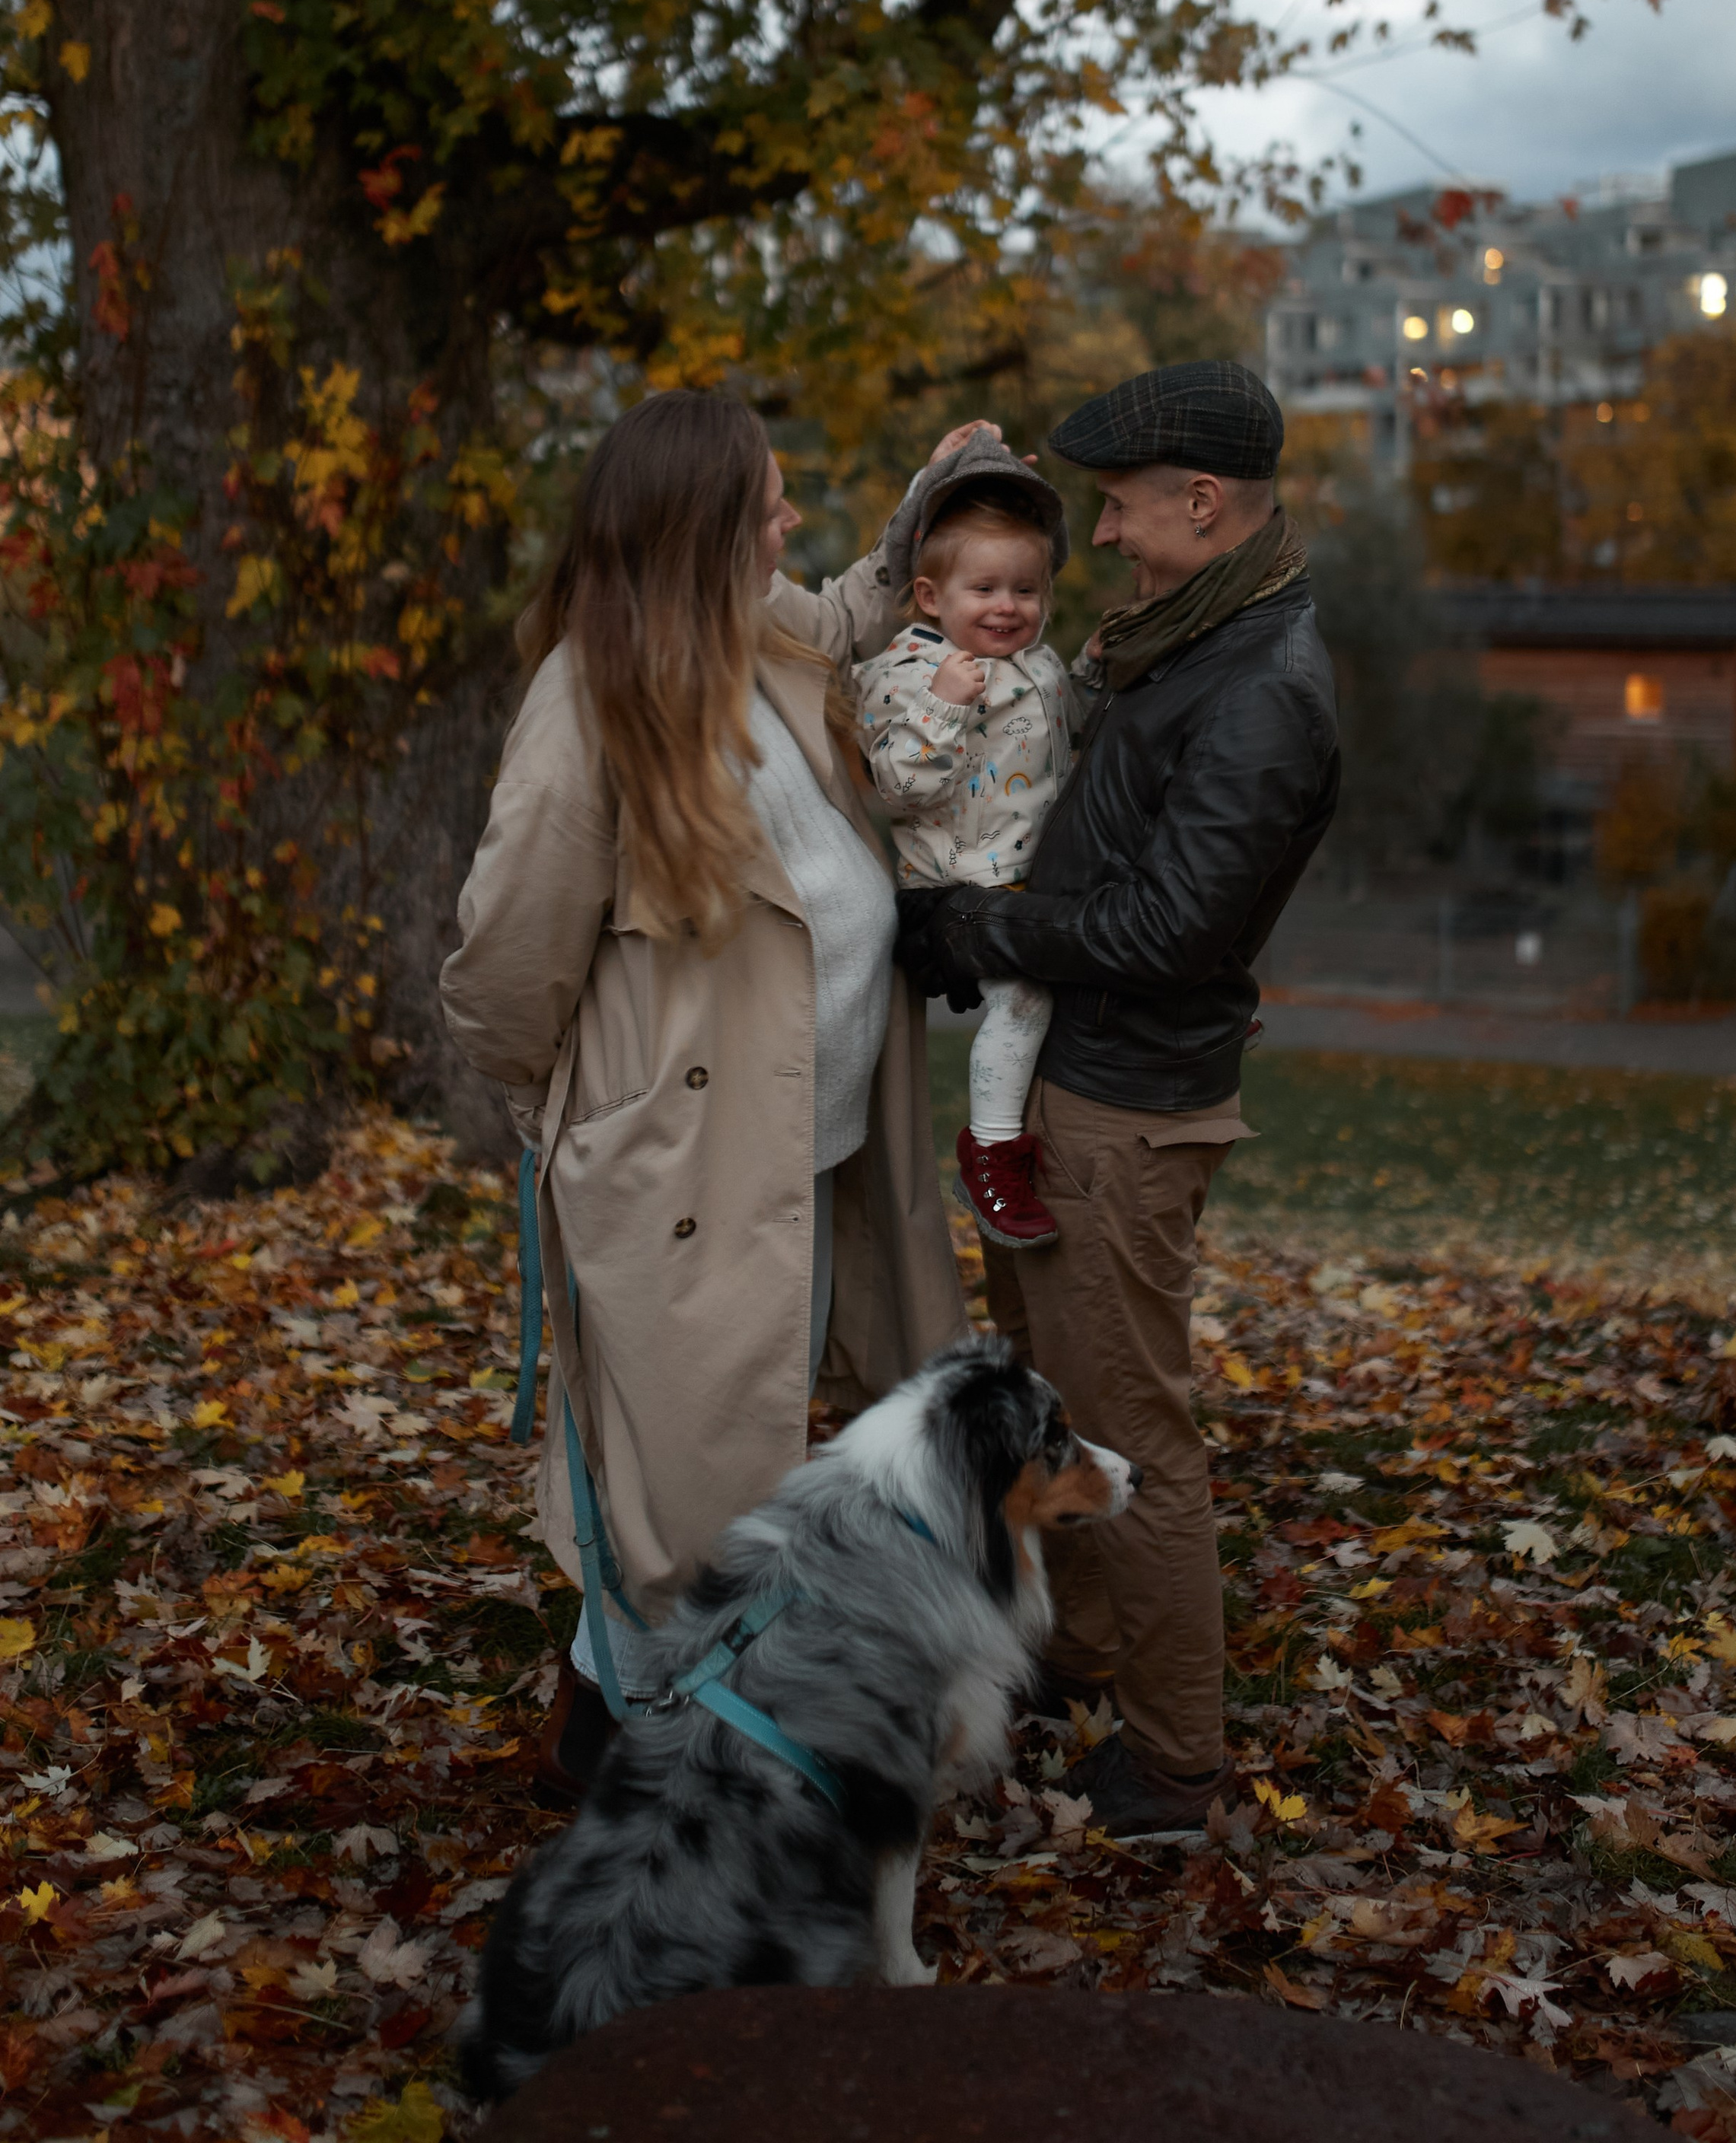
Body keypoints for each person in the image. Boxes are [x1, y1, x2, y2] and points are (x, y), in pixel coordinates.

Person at [441, 390, 976, 1798]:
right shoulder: (589, 702)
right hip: (686, 1157)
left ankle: (627, 1728)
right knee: (685, 1476)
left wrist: (927, 510)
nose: (789, 521)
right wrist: (580, 1113)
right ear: (704, 532)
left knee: (737, 1451)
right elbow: (505, 965)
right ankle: (657, 1760)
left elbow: (848, 618)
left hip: (805, 1142)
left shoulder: (748, 630)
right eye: (769, 504)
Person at [897, 358, 1339, 1839]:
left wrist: (979, 928)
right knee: (1054, 1400)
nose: (1100, 536)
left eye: (1119, 508)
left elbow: (1171, 929)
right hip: (1066, 1085)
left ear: (1201, 502)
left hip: (1127, 1111)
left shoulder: (1261, 687)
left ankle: (1174, 1757)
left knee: (1135, 1433)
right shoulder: (1183, 637)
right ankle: (1079, 1652)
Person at [852, 436, 1079, 1255]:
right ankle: (989, 1153)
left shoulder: (1038, 664)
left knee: (1112, 939)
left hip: (1031, 879)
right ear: (929, 594)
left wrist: (1091, 676)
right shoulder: (905, 675)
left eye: (1026, 589)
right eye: (983, 589)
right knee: (1026, 998)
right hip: (951, 892)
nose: (1007, 607)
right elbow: (898, 789)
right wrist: (943, 707)